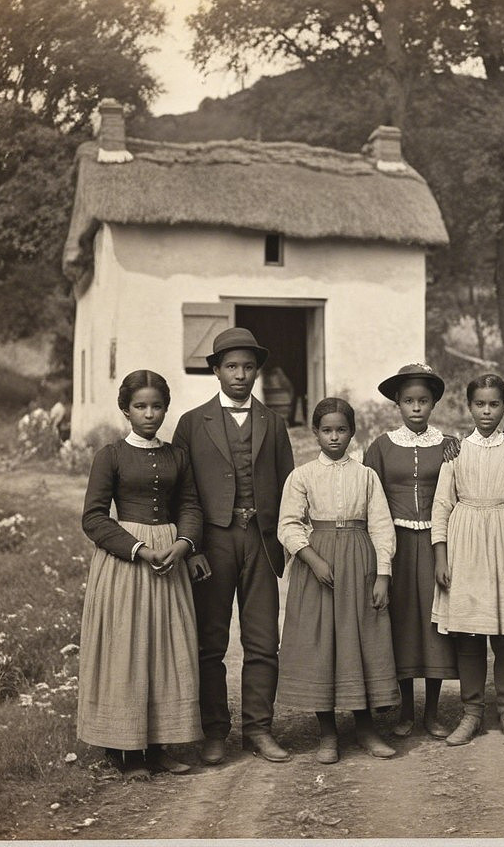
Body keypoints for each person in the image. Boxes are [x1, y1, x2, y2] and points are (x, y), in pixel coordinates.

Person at [172, 327, 296, 765]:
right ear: (216, 371)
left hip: (261, 542)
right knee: (211, 643)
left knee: (263, 641)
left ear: (257, 371)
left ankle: (259, 730)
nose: (240, 375)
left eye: (247, 367)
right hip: (214, 543)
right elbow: (182, 494)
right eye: (231, 367)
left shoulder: (273, 422)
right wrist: (193, 548)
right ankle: (214, 732)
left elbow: (287, 488)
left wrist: (285, 542)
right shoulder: (192, 423)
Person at [78, 370, 210, 779]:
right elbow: (94, 518)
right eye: (140, 407)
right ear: (125, 410)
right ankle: (127, 752)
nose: (149, 414)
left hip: (168, 560)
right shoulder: (111, 455)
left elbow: (190, 505)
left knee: (163, 648)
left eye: (156, 406)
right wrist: (138, 549)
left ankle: (157, 746)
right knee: (127, 648)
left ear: (165, 408)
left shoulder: (176, 456)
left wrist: (183, 544)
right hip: (125, 563)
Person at [277, 398, 400, 763]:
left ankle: (365, 729)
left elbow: (381, 525)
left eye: (341, 430)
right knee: (323, 644)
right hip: (320, 566)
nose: (334, 437)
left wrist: (382, 574)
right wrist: (312, 559)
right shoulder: (302, 476)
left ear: (352, 432)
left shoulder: (366, 476)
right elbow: (288, 524)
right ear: (315, 433)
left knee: (359, 640)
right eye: (327, 430)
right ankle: (327, 733)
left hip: (359, 561)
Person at [430, 374, 504, 746]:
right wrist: (442, 555)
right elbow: (442, 505)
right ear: (469, 406)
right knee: (470, 636)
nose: (487, 411)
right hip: (465, 547)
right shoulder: (456, 450)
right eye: (480, 404)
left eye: (495, 404)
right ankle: (471, 712)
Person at [364, 364, 460, 739]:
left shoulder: (450, 444)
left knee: (434, 625)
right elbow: (370, 499)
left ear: (433, 403)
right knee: (402, 623)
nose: (416, 408)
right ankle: (405, 709)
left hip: (437, 543)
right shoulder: (383, 446)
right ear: (397, 404)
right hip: (397, 546)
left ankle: (433, 712)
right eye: (408, 401)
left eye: (423, 401)